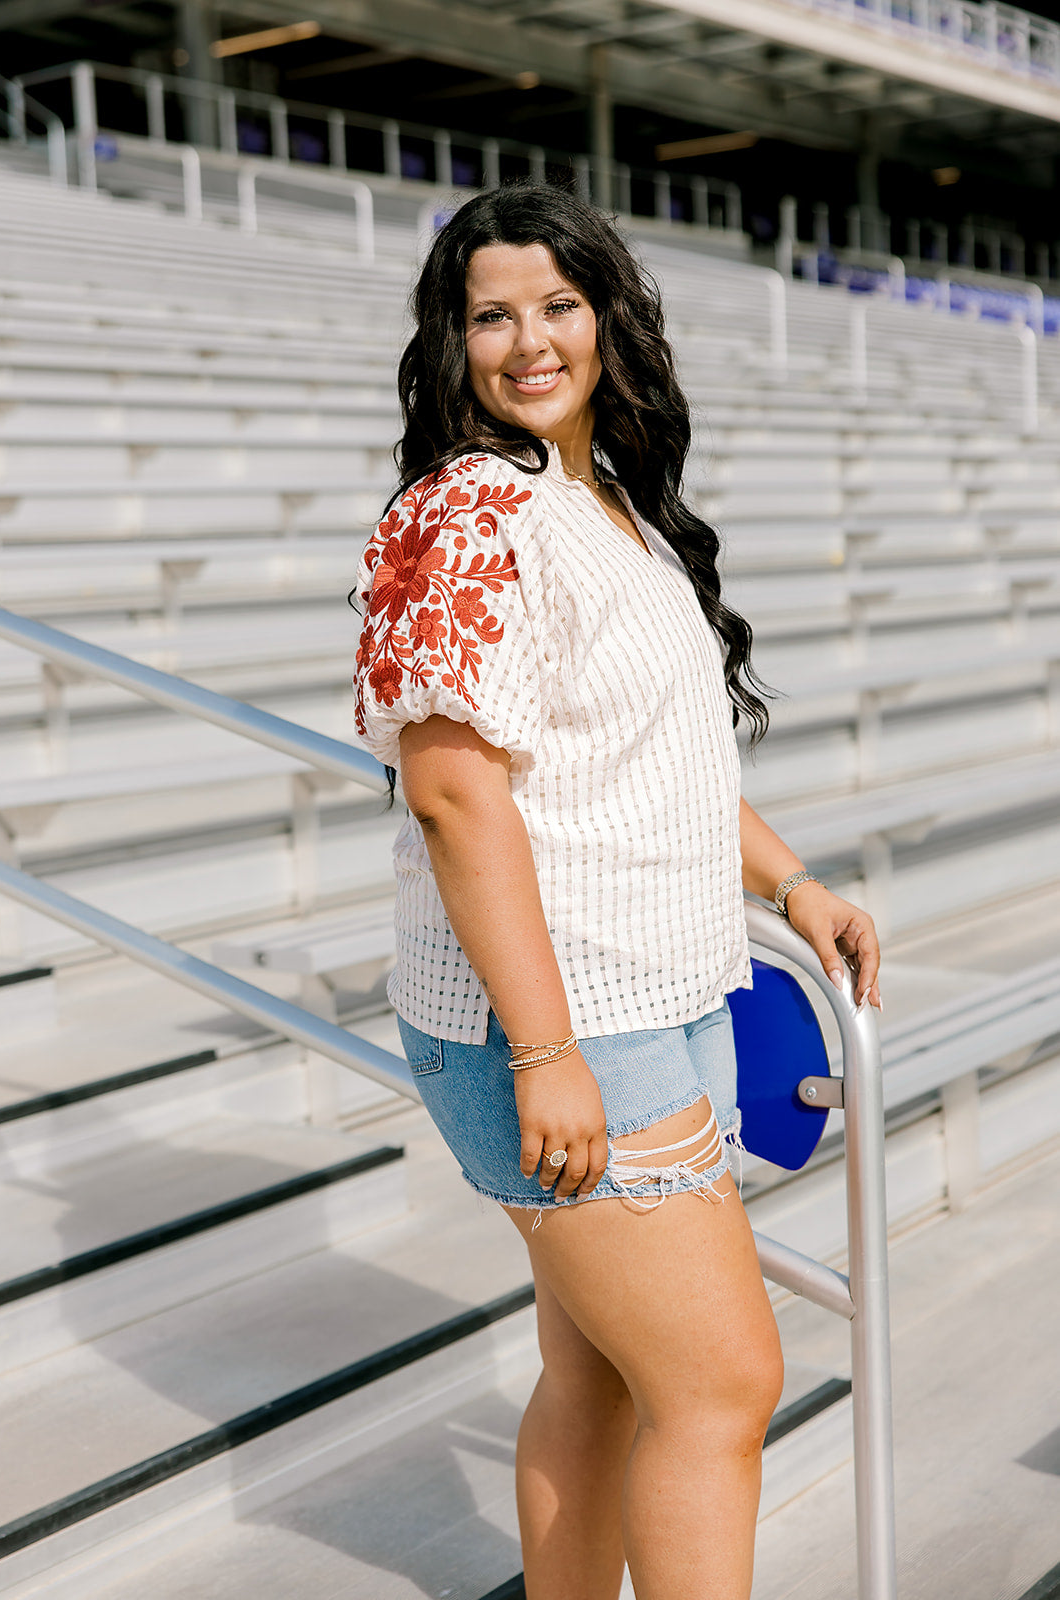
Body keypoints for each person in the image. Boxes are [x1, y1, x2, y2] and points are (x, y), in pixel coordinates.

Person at [352, 184, 881, 1600]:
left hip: (658, 986)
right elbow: (460, 795)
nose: (528, 341)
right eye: (490, 316)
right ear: (450, 341)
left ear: (610, 318)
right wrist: (546, 1053)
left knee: (596, 1376)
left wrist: (795, 881)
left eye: (557, 306)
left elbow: (660, 761)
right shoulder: (470, 511)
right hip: (563, 1015)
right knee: (724, 1382)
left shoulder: (606, 507)